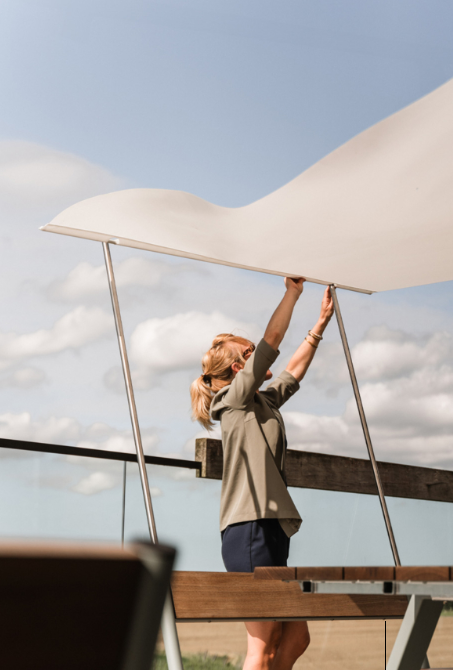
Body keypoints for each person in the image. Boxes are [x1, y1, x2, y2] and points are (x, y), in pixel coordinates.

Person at [190, 278, 334, 670]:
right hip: (248, 528)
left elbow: (292, 373)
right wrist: (293, 293)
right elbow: (273, 338)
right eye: (252, 354)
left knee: (295, 636)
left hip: (269, 527)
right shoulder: (232, 401)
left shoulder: (262, 403)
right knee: (263, 644)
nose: (261, 356)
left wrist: (319, 326)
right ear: (240, 368)